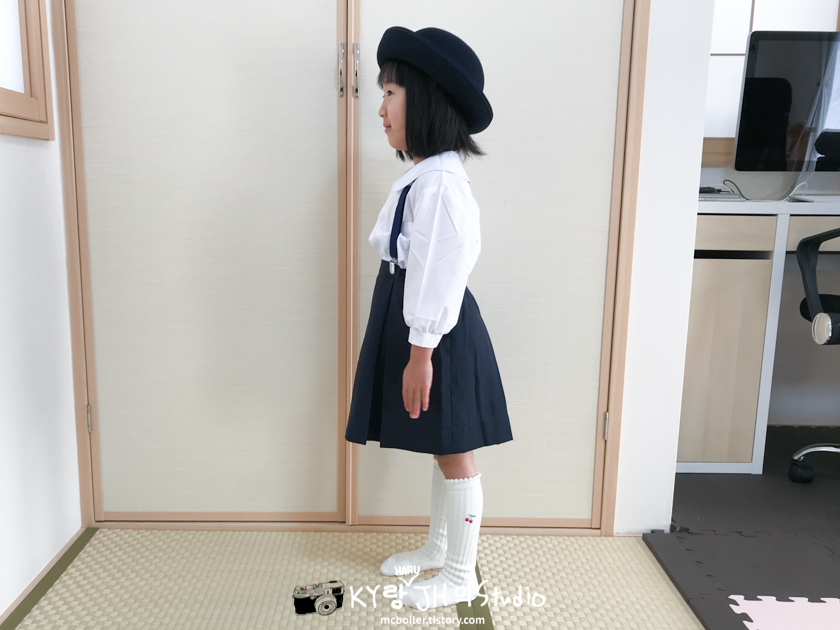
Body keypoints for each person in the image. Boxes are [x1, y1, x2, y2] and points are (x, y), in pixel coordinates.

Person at [344, 26, 513, 611]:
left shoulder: (440, 185)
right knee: (443, 443)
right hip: (423, 324)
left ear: (427, 101)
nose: (381, 108)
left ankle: (461, 574)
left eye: (391, 94)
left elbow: (439, 272)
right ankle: (439, 548)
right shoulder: (427, 177)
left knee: (455, 450)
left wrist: (421, 354)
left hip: (436, 332)